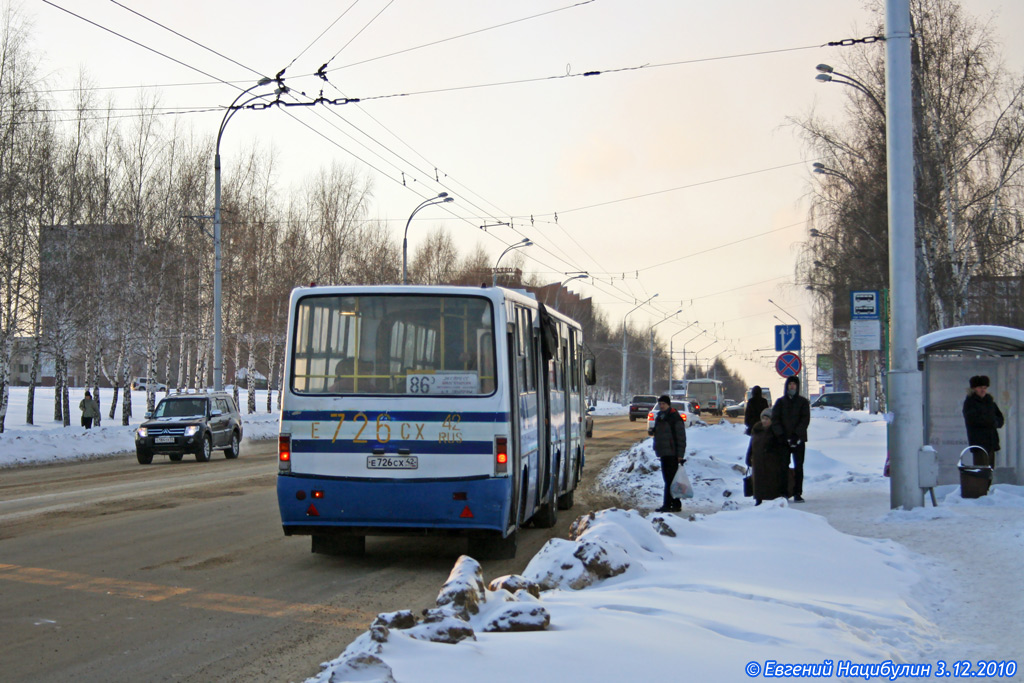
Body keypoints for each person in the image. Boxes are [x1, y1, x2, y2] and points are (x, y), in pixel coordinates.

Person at [771, 376, 810, 502]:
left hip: (798, 440)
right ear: (786, 386)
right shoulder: (780, 402)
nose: (792, 386)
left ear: (797, 386)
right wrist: (781, 435)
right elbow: (775, 420)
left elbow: (805, 420)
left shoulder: (803, 402)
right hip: (783, 441)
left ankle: (798, 492)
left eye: (794, 384)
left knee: (799, 467)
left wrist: (796, 435)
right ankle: (783, 493)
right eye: (790, 384)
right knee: (783, 466)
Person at [648, 394, 687, 512]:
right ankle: (675, 504)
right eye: (660, 404)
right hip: (663, 452)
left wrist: (680, 455)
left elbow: (681, 438)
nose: (661, 406)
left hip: (672, 453)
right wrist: (654, 431)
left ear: (668, 404)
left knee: (670, 480)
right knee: (669, 480)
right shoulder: (660, 416)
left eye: (663, 404)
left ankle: (668, 504)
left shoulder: (674, 417)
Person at [746, 408, 789, 504]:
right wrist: (749, 457)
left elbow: (781, 446)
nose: (764, 421)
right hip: (758, 460)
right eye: (763, 418)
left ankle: (773, 498)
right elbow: (751, 444)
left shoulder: (775, 431)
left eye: (767, 419)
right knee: (758, 480)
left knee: (771, 480)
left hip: (771, 461)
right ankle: (758, 498)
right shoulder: (757, 429)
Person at [962, 375, 1004, 468]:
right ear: (974, 389)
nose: (983, 390)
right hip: (979, 443)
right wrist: (991, 422)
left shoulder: (990, 402)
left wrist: (996, 423)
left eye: (985, 388)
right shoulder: (970, 403)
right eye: (980, 388)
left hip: (991, 442)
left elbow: (1000, 417)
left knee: (989, 471)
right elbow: (973, 420)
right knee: (981, 471)